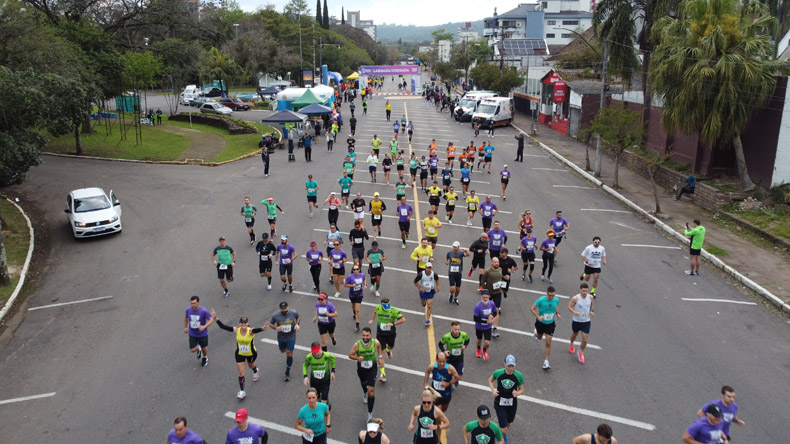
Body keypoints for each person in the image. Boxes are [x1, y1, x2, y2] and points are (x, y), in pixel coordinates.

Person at [211, 309, 266, 399]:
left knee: (251, 365)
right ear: (239, 324)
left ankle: (255, 370)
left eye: (245, 323)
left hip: (251, 353)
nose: (243, 324)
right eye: (242, 323)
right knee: (241, 373)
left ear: (248, 323)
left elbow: (256, 330)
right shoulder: (236, 330)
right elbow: (223, 327)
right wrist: (216, 318)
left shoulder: (250, 331)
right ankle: (242, 391)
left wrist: (262, 329)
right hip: (240, 353)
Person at [349, 327, 385, 421]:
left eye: (367, 335)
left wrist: (380, 357)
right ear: (361, 335)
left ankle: (370, 413)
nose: (365, 337)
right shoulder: (357, 345)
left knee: (371, 392)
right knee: (363, 383)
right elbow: (350, 355)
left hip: (372, 369)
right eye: (363, 335)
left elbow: (379, 348)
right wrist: (357, 358)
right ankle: (364, 392)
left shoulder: (375, 342)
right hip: (361, 369)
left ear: (371, 335)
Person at [488, 354, 525, 444]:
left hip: (512, 403)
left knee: (509, 422)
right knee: (503, 428)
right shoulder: (498, 373)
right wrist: (493, 390)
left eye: (512, 366)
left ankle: (502, 435)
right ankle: (498, 438)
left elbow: (522, 389)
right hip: (500, 403)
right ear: (504, 364)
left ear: (515, 365)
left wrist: (517, 393)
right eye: (509, 365)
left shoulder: (518, 375)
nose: (510, 368)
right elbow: (490, 380)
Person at [369, 297, 405, 381]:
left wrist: (393, 323)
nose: (387, 307)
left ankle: (388, 350)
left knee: (390, 347)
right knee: (381, 355)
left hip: (390, 334)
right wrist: (372, 319)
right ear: (381, 305)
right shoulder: (378, 307)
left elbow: (403, 319)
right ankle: (383, 375)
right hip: (380, 334)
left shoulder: (393, 310)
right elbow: (375, 312)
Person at [265, 301, 301, 381]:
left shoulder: (293, 312)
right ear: (280, 309)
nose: (284, 310)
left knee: (288, 352)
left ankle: (287, 372)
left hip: (291, 336)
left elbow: (298, 317)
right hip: (281, 337)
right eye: (282, 309)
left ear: (288, 307)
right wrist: (276, 328)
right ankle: (288, 352)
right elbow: (271, 324)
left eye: (285, 308)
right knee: (282, 350)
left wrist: (297, 324)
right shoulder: (276, 315)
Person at [532, 286, 561, 370]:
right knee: (539, 337)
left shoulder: (556, 299)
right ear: (546, 294)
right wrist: (538, 316)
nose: (551, 297)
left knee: (548, 342)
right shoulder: (541, 300)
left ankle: (546, 361)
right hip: (540, 323)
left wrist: (557, 313)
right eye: (549, 295)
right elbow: (532, 309)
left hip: (550, 324)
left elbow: (555, 306)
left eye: (553, 295)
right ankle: (536, 333)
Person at [567, 283, 594, 364]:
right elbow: (569, 306)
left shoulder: (590, 297)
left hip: (586, 321)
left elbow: (591, 305)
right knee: (574, 335)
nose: (585, 292)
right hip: (576, 321)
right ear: (580, 290)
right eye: (583, 291)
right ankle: (571, 344)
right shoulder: (575, 298)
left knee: (585, 340)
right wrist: (574, 312)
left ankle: (580, 352)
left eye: (586, 291)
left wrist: (592, 311)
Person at [184, 295, 213, 367]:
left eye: (194, 303)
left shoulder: (203, 311)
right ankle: (198, 348)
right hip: (192, 333)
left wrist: (204, 327)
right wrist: (185, 327)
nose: (193, 305)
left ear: (198, 303)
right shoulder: (188, 310)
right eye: (192, 303)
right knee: (192, 349)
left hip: (202, 334)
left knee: (204, 347)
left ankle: (205, 357)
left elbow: (211, 319)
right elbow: (186, 317)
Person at [481, 257, 504, 338]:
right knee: (487, 310)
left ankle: (495, 328)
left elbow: (501, 277)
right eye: (495, 262)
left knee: (496, 310)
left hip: (498, 292)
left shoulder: (500, 269)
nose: (496, 264)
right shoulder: (487, 271)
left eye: (497, 262)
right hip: (489, 293)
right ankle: (485, 323)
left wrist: (505, 277)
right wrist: (486, 292)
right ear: (491, 263)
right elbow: (482, 281)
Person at [473, 290, 497, 361]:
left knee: (487, 343)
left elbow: (495, 312)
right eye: (484, 297)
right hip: (479, 326)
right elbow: (475, 318)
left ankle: (484, 350)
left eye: (487, 297)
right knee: (479, 339)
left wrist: (492, 316)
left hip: (488, 327)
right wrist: (486, 321)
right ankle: (478, 348)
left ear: (489, 296)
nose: (485, 299)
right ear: (481, 297)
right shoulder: (478, 306)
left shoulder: (492, 303)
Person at [414, 262, 439, 327]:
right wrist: (419, 287)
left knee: (429, 305)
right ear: (425, 268)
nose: (429, 269)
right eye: (428, 267)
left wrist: (438, 286)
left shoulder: (434, 274)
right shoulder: (421, 274)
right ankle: (423, 303)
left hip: (431, 291)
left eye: (430, 268)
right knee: (423, 303)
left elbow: (437, 279)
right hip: (423, 291)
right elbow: (415, 281)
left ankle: (427, 320)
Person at [345, 264, 367, 332]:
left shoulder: (362, 275)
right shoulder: (350, 276)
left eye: (357, 269)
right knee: (353, 306)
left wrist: (365, 285)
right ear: (352, 270)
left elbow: (364, 278)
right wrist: (351, 285)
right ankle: (354, 312)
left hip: (359, 294)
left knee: (358, 310)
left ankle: (357, 324)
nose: (356, 271)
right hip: (352, 294)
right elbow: (345, 284)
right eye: (354, 269)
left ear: (359, 270)